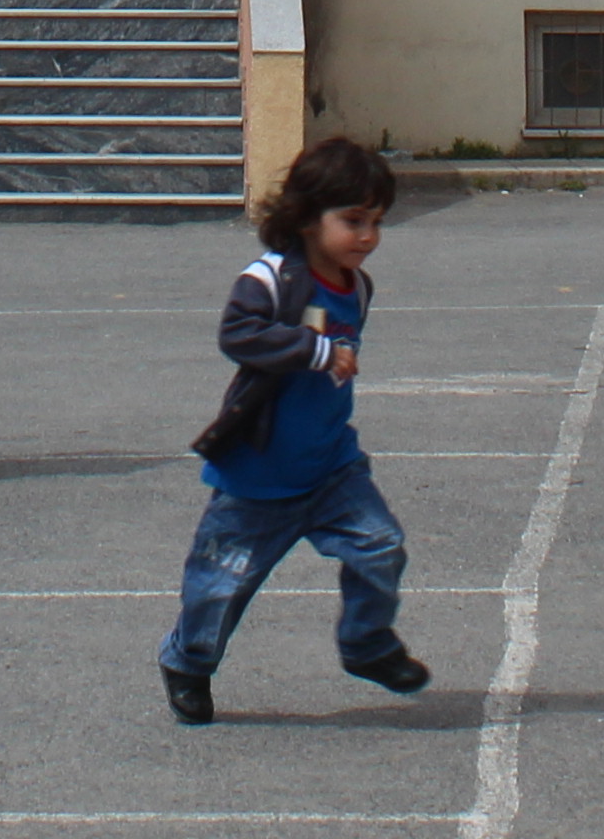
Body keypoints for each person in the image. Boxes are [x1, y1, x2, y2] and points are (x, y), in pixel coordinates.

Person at [159, 136, 429, 724]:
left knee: (380, 546)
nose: (367, 237)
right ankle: (188, 662)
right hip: (257, 476)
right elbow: (238, 334)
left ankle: (366, 644)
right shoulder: (271, 278)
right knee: (218, 585)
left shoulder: (358, 285)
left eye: (377, 222)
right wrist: (315, 349)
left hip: (331, 467)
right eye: (353, 221)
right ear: (307, 218)